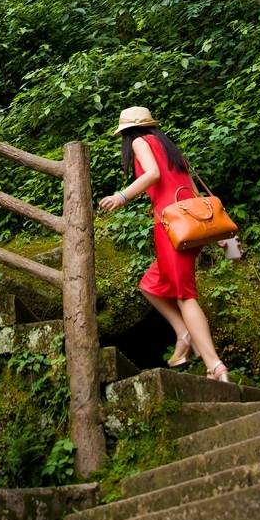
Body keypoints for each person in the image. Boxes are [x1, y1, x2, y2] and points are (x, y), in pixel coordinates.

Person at [98, 105, 231, 383]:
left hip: (172, 226)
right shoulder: (169, 146)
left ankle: (214, 365)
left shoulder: (139, 141)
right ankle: (183, 334)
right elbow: (193, 190)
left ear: (127, 131)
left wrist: (122, 196)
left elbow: (153, 174)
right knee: (150, 284)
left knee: (185, 295)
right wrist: (215, 234)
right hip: (193, 223)